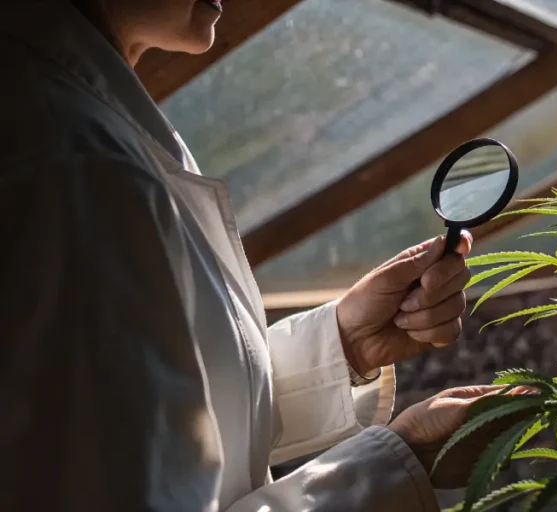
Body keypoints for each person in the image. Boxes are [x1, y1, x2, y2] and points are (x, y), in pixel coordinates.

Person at [0, 1, 510, 510]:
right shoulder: (66, 165)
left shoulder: (82, 119)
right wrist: (405, 465)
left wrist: (343, 347)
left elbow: (142, 420)